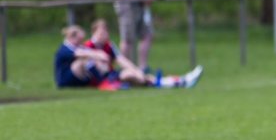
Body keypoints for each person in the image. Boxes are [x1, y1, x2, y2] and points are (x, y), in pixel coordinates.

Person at [54, 23, 202, 90]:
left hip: (111, 75)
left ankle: (181, 81)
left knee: (139, 77)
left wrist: (137, 70)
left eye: (105, 32)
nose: (104, 35)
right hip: (101, 80)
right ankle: (176, 82)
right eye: (101, 33)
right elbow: (83, 56)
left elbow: (121, 60)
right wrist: (98, 56)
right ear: (94, 33)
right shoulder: (84, 48)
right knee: (137, 78)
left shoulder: (108, 45)